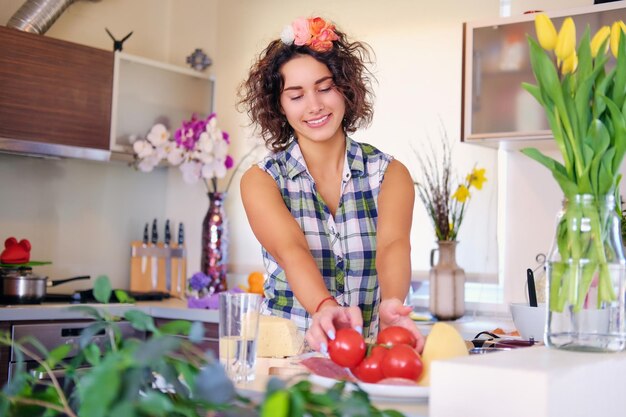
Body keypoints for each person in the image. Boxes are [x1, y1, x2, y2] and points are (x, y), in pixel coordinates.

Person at [237, 16, 424, 354]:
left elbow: (394, 246)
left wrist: (393, 304)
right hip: (285, 358)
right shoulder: (262, 180)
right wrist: (323, 306)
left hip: (365, 356)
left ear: (345, 88)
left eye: (324, 88)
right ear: (278, 107)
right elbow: (290, 251)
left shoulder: (389, 174)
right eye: (296, 96)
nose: (315, 105)